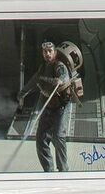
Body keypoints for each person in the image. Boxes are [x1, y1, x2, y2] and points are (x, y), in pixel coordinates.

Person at [19, 40, 74, 173]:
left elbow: (64, 75)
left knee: (58, 137)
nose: (47, 54)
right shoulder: (42, 68)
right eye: (45, 52)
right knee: (41, 139)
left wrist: (60, 80)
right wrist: (23, 93)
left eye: (50, 51)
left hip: (61, 107)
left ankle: (63, 170)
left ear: (54, 52)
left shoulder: (59, 65)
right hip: (48, 106)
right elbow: (34, 80)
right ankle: (48, 170)